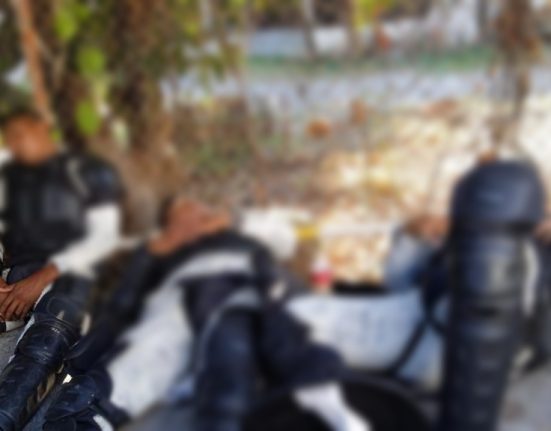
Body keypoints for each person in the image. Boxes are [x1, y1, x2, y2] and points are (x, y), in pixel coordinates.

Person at [42, 197, 370, 431]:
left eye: (198, 213)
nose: (191, 220)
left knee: (235, 328)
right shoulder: (162, 253)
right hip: (175, 314)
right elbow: (123, 306)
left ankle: (315, 390)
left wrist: (238, 223)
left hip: (247, 300)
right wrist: (150, 256)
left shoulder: (242, 240)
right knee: (83, 405)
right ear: (168, 225)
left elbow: (286, 240)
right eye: (180, 216)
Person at [0, 109, 123, 431]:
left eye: (22, 134)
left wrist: (39, 281)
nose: (16, 144)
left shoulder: (89, 171)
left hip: (70, 278)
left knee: (54, 325)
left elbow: (104, 236)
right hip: (16, 280)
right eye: (11, 139)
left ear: (44, 128)